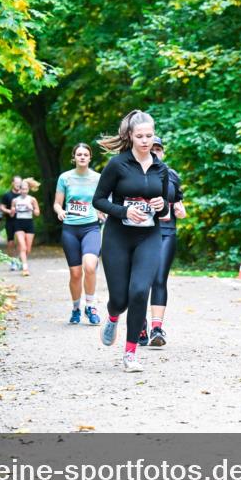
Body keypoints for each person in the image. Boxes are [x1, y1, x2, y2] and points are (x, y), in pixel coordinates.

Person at [92, 110, 170, 372]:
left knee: (139, 292)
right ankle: (113, 315)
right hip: (118, 236)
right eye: (140, 136)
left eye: (149, 136)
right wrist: (124, 211)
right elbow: (98, 200)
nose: (146, 141)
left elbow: (164, 207)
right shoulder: (117, 164)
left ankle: (130, 354)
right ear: (130, 136)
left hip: (149, 236)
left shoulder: (161, 168)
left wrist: (161, 204)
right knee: (120, 299)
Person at [138, 136, 185, 347]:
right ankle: (140, 325)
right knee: (141, 281)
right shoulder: (135, 173)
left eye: (159, 149)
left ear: (163, 152)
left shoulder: (172, 175)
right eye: (152, 149)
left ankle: (157, 329)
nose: (155, 152)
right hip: (141, 232)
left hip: (166, 232)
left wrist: (179, 208)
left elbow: (180, 205)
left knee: (159, 279)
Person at [54, 143, 103, 325]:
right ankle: (76, 308)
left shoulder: (98, 178)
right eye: (79, 154)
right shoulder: (65, 178)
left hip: (91, 227)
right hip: (70, 229)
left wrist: (101, 210)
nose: (82, 157)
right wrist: (60, 211)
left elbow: (103, 199)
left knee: (90, 266)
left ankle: (90, 306)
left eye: (85, 154)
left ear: (90, 158)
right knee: (75, 273)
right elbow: (57, 203)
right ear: (74, 157)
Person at [12, 178, 41, 277]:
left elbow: (37, 213)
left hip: (29, 223)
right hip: (18, 224)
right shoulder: (15, 200)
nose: (24, 191)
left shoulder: (32, 199)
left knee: (28, 249)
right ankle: (25, 268)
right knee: (23, 247)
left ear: (28, 189)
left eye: (26, 189)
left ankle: (20, 260)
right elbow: (12, 214)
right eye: (22, 189)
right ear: (19, 190)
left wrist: (31, 208)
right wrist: (13, 210)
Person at [0, 176, 23, 270]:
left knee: (20, 241)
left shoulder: (23, 194)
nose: (18, 185)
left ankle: (20, 260)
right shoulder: (7, 195)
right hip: (10, 221)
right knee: (11, 242)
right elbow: (2, 207)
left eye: (20, 183)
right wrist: (9, 211)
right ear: (13, 183)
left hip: (21, 221)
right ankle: (12, 261)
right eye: (17, 183)